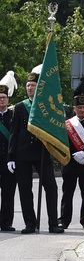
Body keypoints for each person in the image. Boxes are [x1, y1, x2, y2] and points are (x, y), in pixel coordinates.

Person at [10, 64, 63, 233]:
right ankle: (30, 224)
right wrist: (11, 156)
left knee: (51, 187)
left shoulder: (45, 105)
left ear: (38, 87)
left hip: (42, 152)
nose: (30, 88)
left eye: (33, 85)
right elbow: (14, 133)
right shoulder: (20, 107)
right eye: (28, 85)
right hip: (23, 154)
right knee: (25, 189)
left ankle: (53, 223)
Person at [61, 82, 84, 229]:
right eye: (79, 107)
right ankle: (64, 220)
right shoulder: (67, 125)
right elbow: (63, 144)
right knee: (67, 193)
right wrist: (72, 155)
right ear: (74, 108)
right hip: (70, 162)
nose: (82, 110)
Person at [0, 71, 17, 232]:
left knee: (8, 193)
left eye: (4, 97)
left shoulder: (13, 115)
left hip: (8, 161)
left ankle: (6, 222)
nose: (2, 100)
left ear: (8, 99)